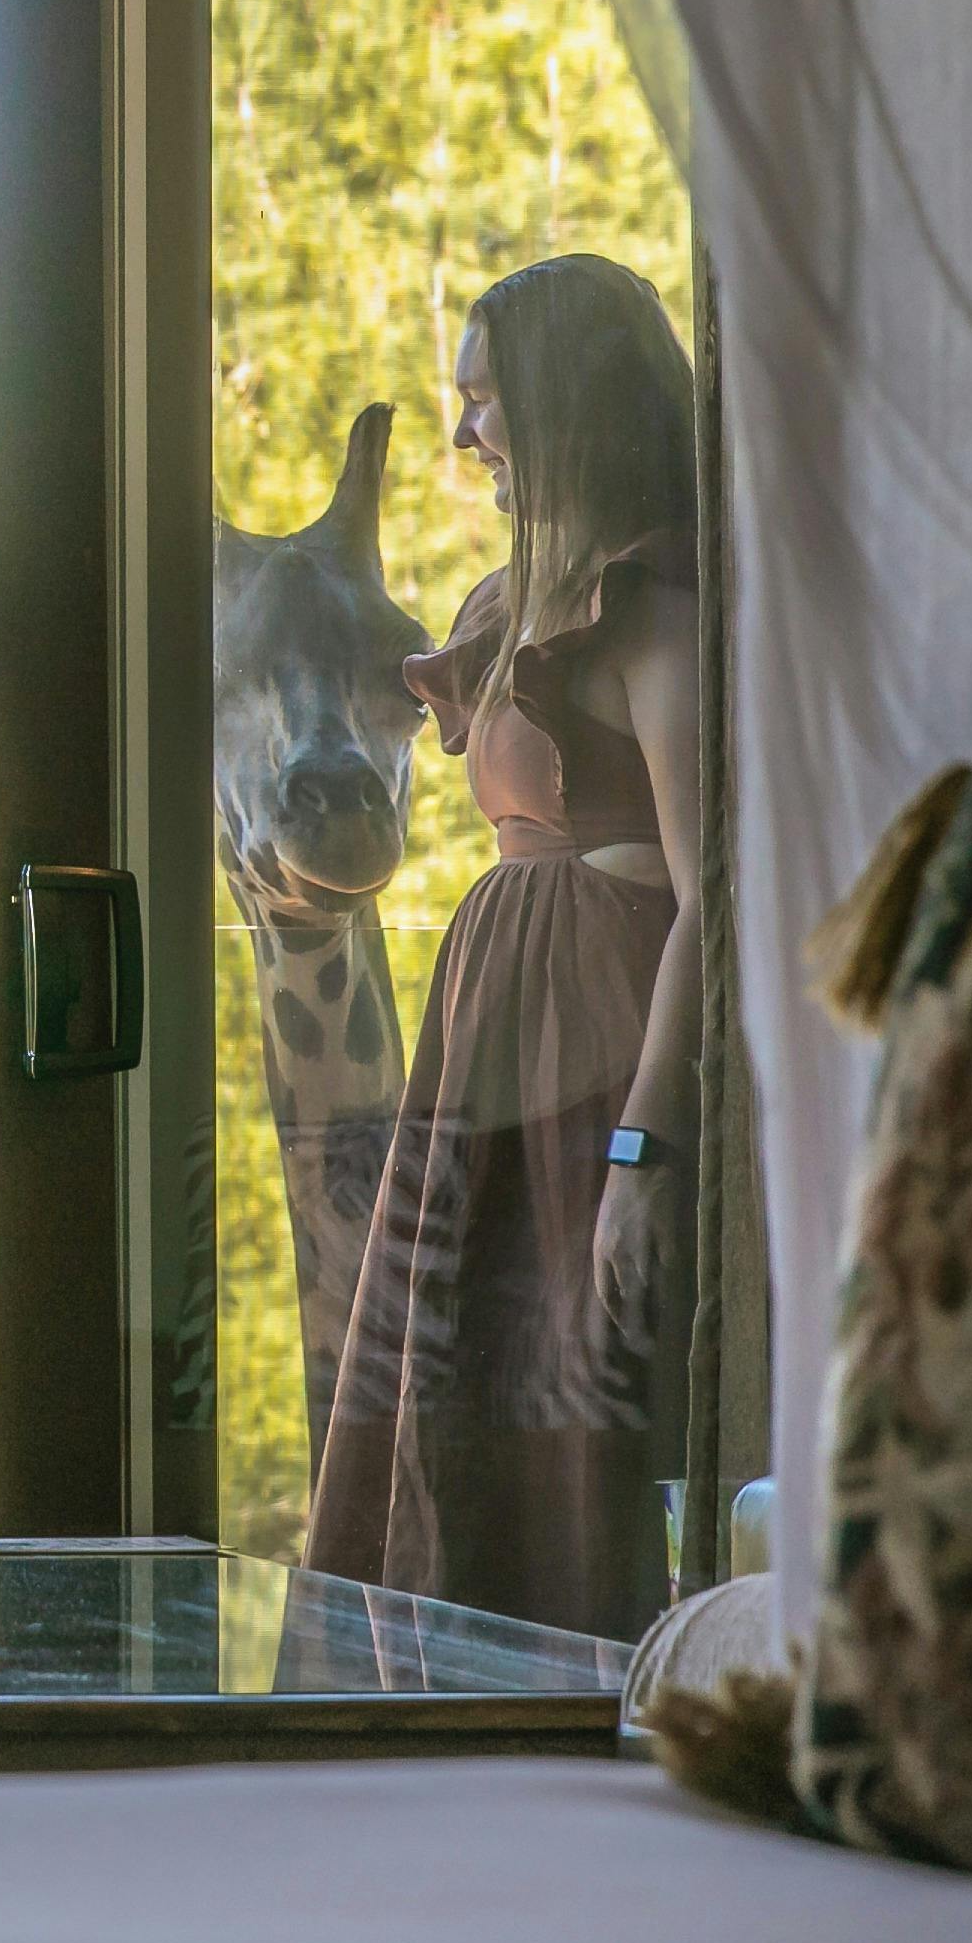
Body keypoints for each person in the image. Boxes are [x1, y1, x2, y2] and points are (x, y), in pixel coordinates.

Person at [305, 253, 701, 1641]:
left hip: (591, 1053)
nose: (468, 435)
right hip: (495, 1035)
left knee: (560, 1418)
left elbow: (716, 898)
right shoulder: (517, 604)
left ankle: (570, 1744)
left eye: (486, 402)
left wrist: (645, 1155)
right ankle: (430, 1749)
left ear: (566, 403)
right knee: (444, 1404)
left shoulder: (649, 606)